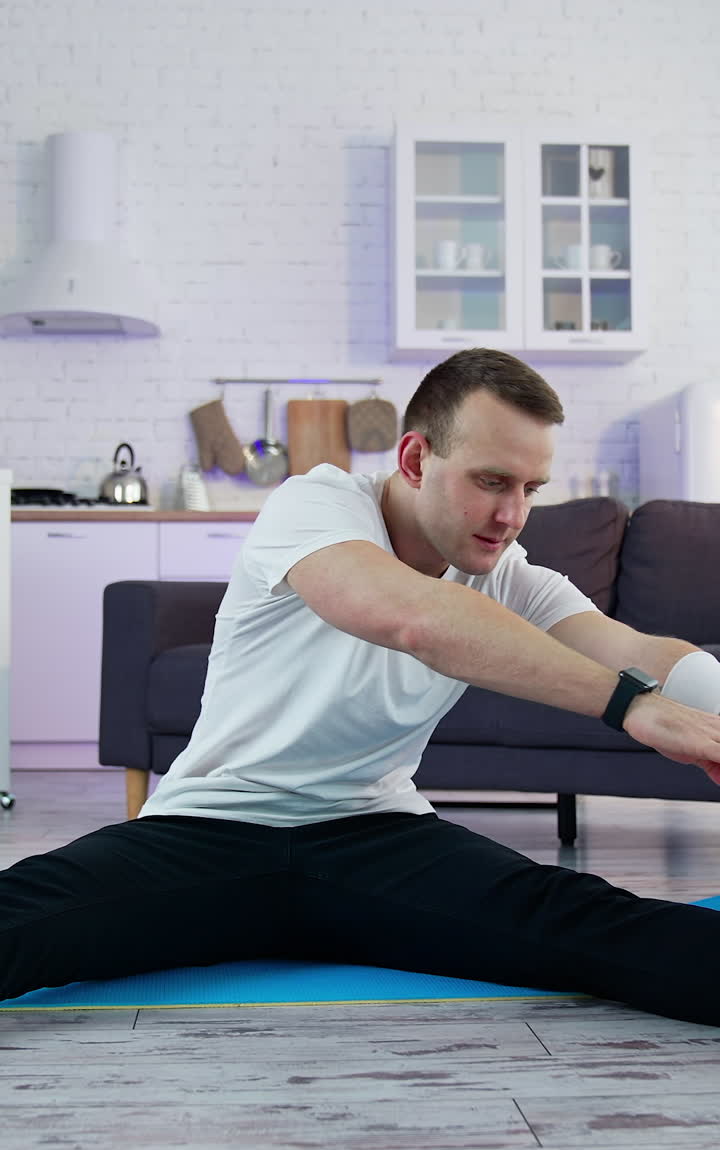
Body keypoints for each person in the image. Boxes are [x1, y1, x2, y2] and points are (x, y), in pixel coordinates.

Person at [4, 349, 720, 1024]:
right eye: (492, 481)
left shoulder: (508, 575)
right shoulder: (314, 506)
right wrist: (630, 705)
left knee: (604, 927)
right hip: (209, 832)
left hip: (381, 843)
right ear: (415, 458)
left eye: (530, 489)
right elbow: (413, 618)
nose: (513, 516)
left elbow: (639, 648)